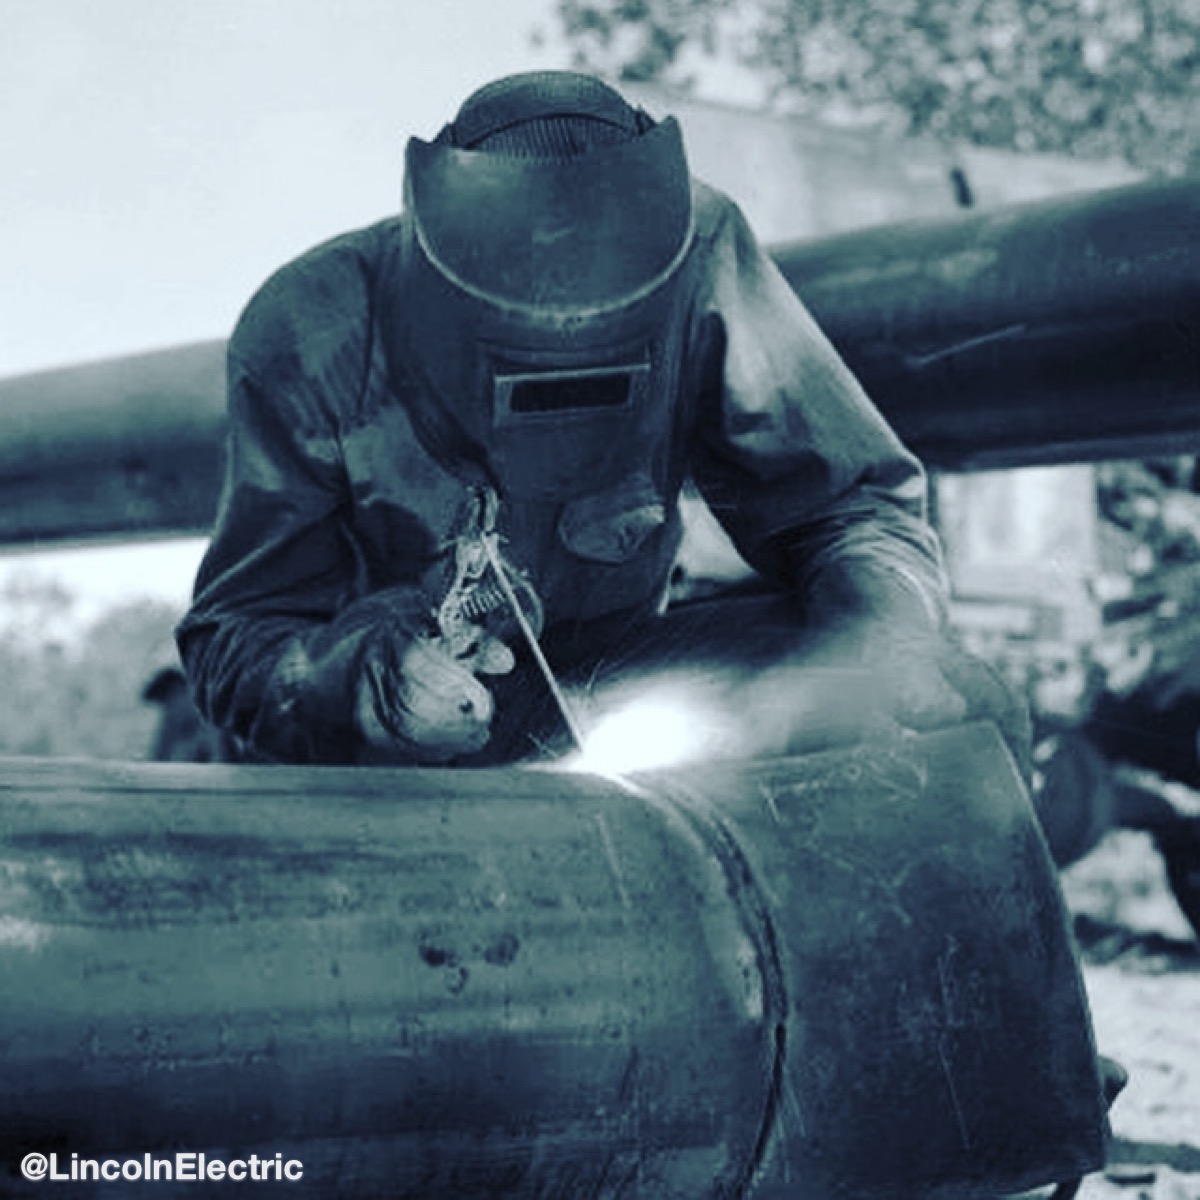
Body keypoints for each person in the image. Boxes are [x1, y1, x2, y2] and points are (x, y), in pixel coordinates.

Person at [176, 70, 1026, 771]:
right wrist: (364, 686)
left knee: (940, 705)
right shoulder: (314, 328)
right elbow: (234, 638)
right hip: (360, 762)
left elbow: (845, 509)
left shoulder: (699, 257)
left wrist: (884, 637)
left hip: (593, 709)